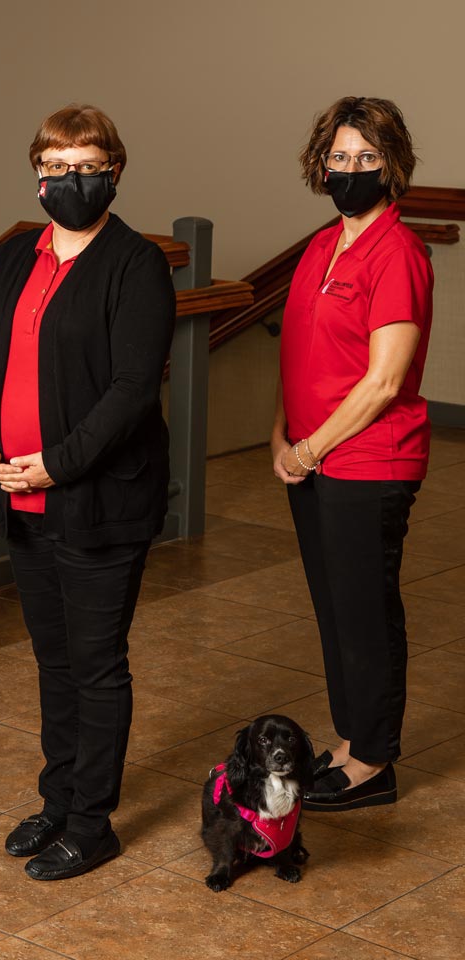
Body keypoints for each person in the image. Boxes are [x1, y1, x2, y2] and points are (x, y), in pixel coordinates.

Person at [0, 104, 176, 879]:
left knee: (96, 662)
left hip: (98, 499)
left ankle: (93, 820)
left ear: (113, 171)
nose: (70, 181)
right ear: (37, 175)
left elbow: (131, 390)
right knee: (54, 659)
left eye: (86, 167)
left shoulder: (135, 264)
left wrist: (57, 462)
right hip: (19, 495)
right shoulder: (14, 257)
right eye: (55, 168)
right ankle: (58, 800)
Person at [271, 97, 433, 811]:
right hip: (312, 461)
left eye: (366, 158)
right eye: (339, 158)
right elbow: (299, 357)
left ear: (392, 165)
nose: (350, 170)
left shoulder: (397, 252)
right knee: (335, 610)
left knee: (365, 613)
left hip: (369, 463)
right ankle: (349, 737)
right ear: (320, 164)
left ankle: (375, 760)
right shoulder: (319, 246)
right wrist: (282, 437)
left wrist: (308, 447)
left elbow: (385, 381)